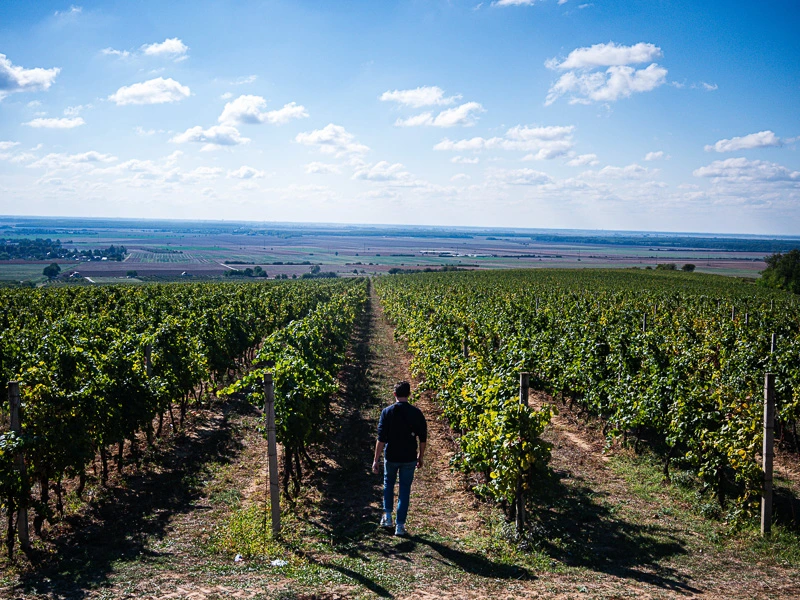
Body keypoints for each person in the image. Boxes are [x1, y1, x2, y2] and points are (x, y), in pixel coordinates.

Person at [372, 380, 427, 536]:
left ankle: (387, 517)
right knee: (404, 489)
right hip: (409, 456)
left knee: (388, 483)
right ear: (409, 395)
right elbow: (423, 438)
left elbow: (381, 438)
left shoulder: (387, 412)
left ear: (394, 394)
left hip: (391, 455)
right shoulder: (417, 413)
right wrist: (420, 456)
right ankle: (400, 525)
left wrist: (376, 459)